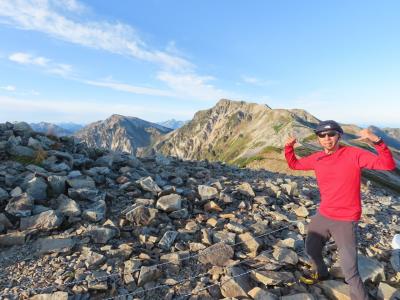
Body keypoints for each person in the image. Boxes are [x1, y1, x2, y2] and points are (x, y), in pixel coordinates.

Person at [284, 120, 396, 300]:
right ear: (318, 139)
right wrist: (289, 148)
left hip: (345, 219)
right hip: (324, 214)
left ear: (339, 135)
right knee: (311, 248)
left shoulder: (354, 154)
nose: (327, 139)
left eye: (331, 134)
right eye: (322, 135)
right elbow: (294, 165)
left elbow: (387, 165)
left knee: (350, 270)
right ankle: (322, 274)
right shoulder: (317, 158)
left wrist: (377, 141)